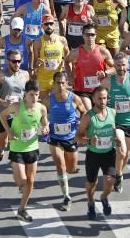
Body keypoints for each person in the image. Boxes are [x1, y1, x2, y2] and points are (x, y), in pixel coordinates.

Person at [99, 52, 130, 193]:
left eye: (123, 65)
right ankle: (118, 174)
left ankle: (119, 174)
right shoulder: (108, 81)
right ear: (114, 65)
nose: (121, 68)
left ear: (128, 65)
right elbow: (97, 96)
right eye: (118, 65)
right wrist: (104, 107)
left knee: (126, 153)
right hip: (115, 122)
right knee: (122, 149)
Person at [2, 80, 48, 222]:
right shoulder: (16, 107)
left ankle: (22, 209)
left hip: (32, 148)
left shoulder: (41, 108)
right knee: (22, 180)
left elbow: (45, 123)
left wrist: (46, 128)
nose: (34, 98)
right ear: (25, 95)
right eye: (31, 95)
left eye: (36, 94)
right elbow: (2, 116)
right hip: (17, 147)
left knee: (30, 181)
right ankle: (16, 174)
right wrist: (9, 132)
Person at [47, 70, 89, 212]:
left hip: (70, 138)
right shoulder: (49, 98)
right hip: (54, 138)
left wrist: (81, 128)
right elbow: (41, 113)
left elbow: (84, 112)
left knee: (71, 169)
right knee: (60, 165)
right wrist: (44, 125)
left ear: (67, 84)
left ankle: (69, 173)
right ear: (54, 84)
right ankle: (66, 196)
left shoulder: (74, 98)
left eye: (63, 83)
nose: (60, 86)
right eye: (58, 83)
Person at [76, 85, 120, 220]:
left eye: (105, 98)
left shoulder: (113, 112)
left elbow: (115, 130)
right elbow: (77, 137)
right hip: (93, 155)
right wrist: (89, 140)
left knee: (110, 180)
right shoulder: (88, 117)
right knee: (91, 184)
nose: (102, 101)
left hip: (109, 153)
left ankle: (103, 197)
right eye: (99, 98)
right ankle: (90, 202)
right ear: (94, 99)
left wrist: (117, 138)